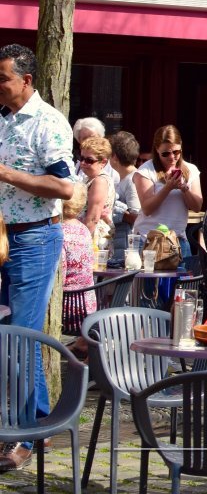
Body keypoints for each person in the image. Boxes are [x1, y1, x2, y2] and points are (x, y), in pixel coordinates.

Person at [0, 44, 74, 471]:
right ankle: (41, 421)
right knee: (12, 333)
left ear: (26, 80)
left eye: (3, 79)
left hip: (34, 238)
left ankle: (23, 437)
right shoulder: (4, 119)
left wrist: (6, 174)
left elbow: (64, 188)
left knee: (19, 337)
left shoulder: (48, 122)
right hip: (4, 237)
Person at [132, 125, 203, 249]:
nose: (171, 157)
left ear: (181, 147)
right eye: (165, 153)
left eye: (176, 152)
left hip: (178, 239)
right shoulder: (145, 171)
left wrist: (184, 189)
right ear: (157, 150)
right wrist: (167, 188)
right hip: (149, 240)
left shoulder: (191, 169)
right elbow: (147, 209)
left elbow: (197, 207)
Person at [60, 184, 97, 331]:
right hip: (88, 306)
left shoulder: (59, 234)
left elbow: (59, 279)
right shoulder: (84, 229)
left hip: (68, 308)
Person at [77, 135, 116, 237]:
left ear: (103, 162)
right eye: (81, 158)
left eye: (89, 160)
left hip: (94, 237)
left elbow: (93, 219)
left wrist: (82, 241)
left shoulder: (100, 181)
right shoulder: (89, 179)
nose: (83, 163)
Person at [107, 130, 142, 234]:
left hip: (129, 240)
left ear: (114, 157)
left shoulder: (133, 181)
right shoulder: (122, 177)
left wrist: (113, 210)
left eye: (109, 155)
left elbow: (138, 218)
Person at [72, 116, 119, 190]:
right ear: (79, 140)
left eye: (92, 137)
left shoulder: (112, 168)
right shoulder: (76, 165)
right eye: (84, 139)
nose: (89, 141)